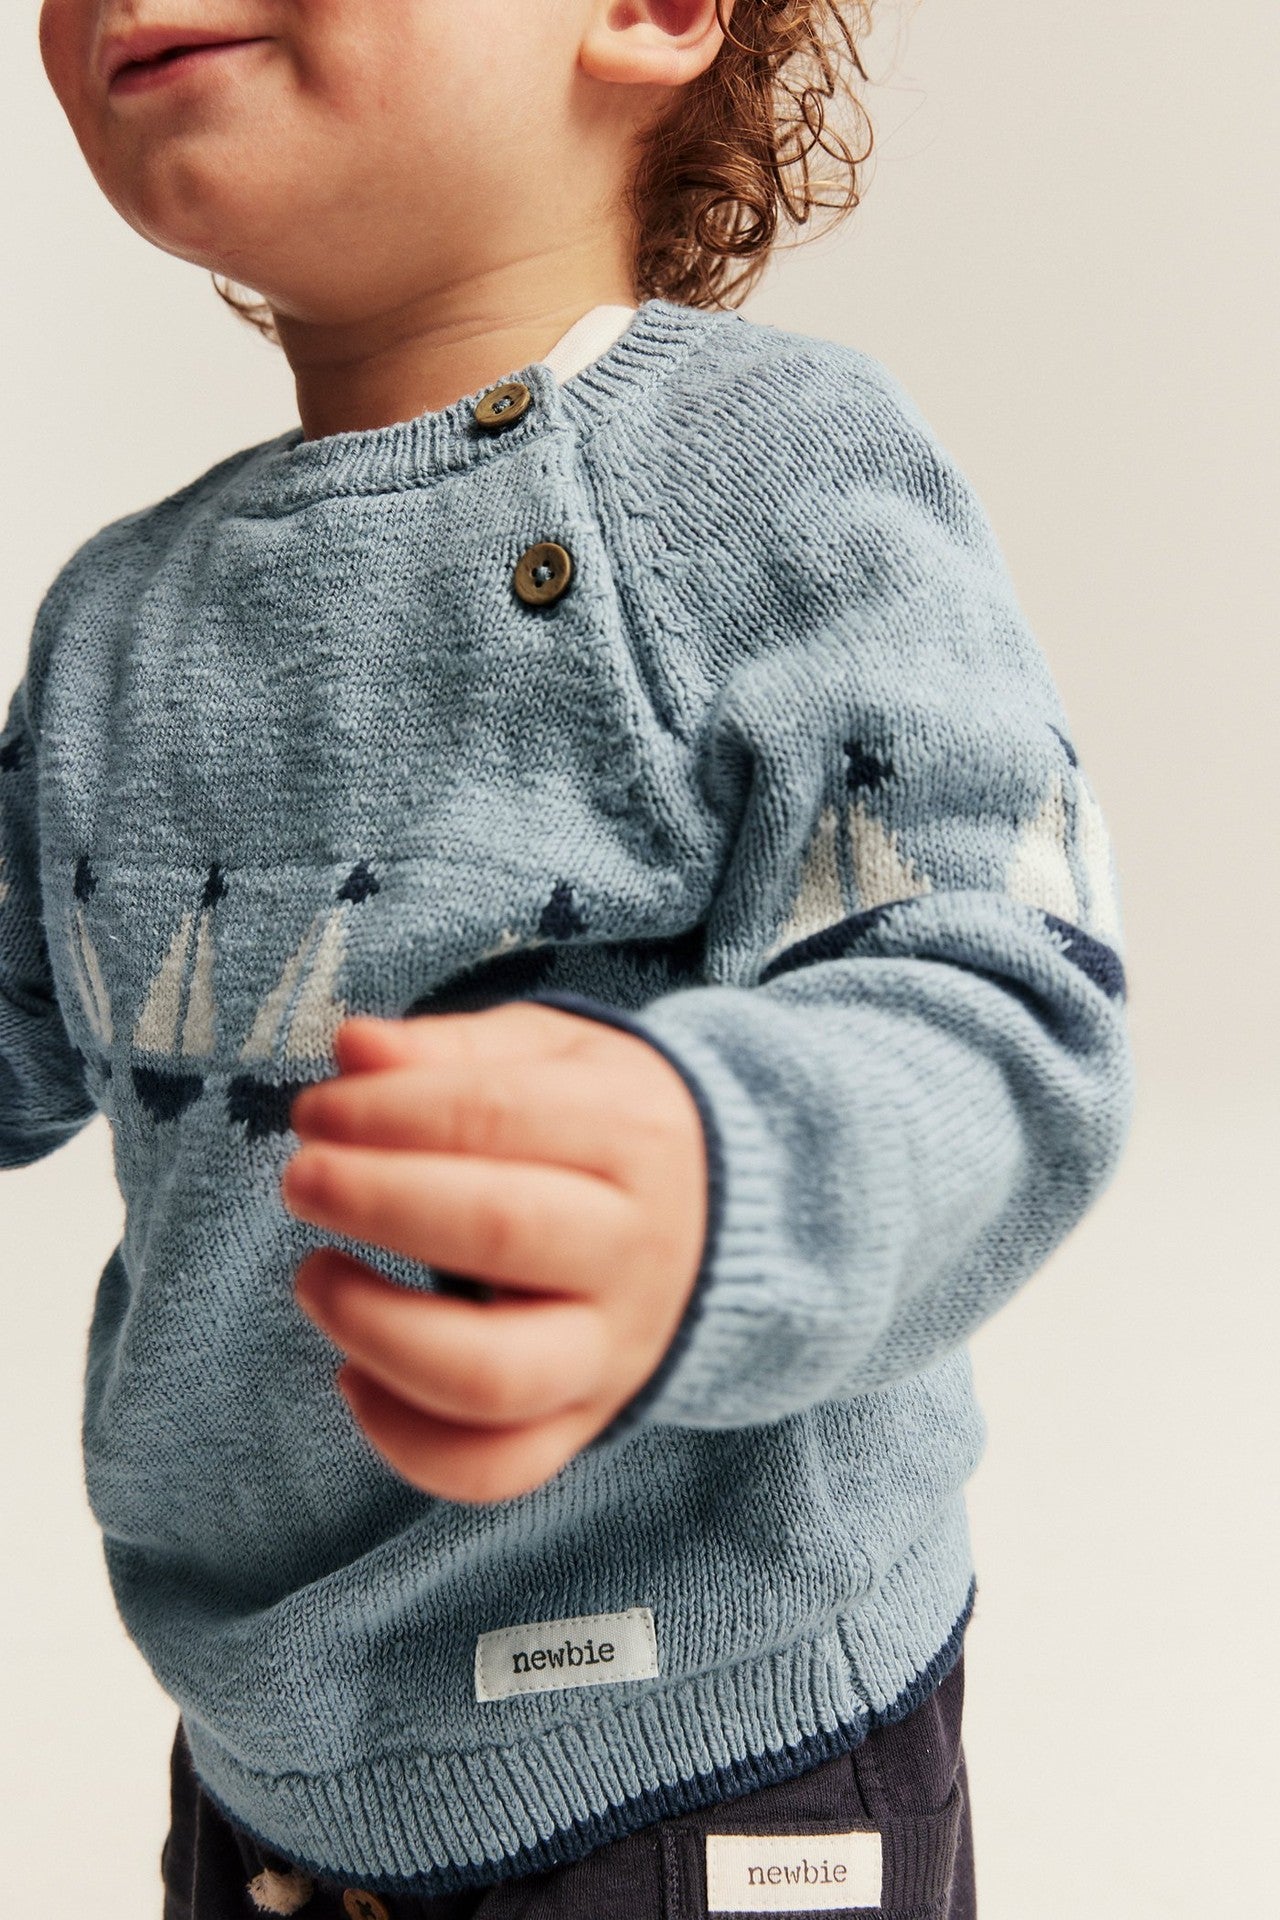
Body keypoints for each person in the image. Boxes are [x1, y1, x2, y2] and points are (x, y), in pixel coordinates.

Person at [7, 2, 1133, 1913]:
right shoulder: (119, 623)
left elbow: (1011, 1009)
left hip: (707, 1764)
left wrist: (722, 1176)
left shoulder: (768, 477)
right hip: (267, 1790)